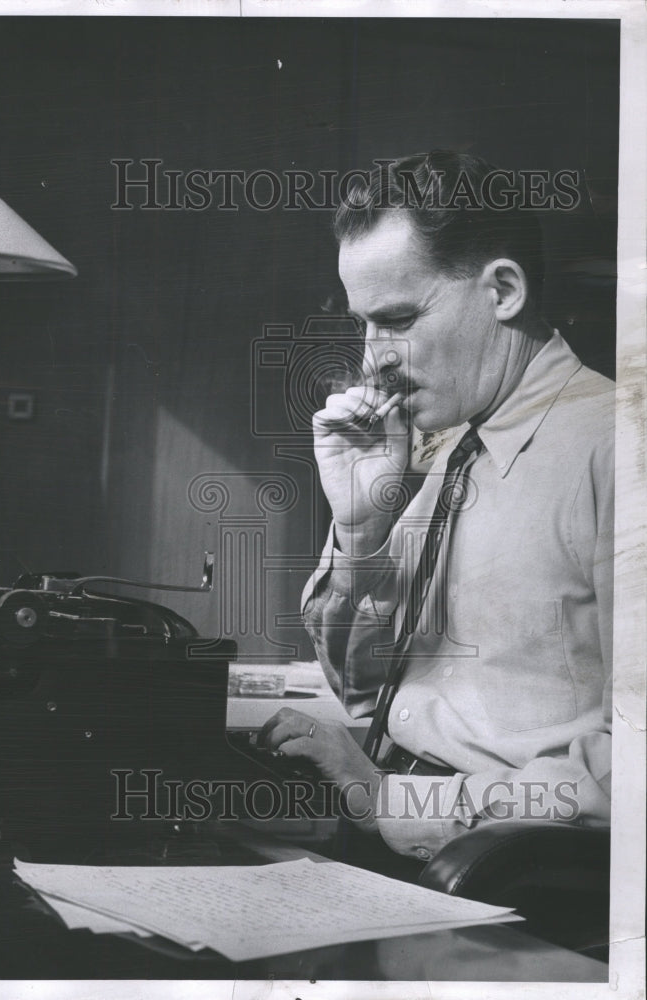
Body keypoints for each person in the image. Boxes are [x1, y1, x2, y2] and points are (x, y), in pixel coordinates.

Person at [260, 151, 613, 868]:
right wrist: (361, 535)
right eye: (363, 324)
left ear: (504, 290)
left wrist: (396, 801)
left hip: (522, 875)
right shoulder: (435, 441)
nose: (373, 360)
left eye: (397, 318)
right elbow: (364, 694)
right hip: (399, 841)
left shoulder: (618, 451)